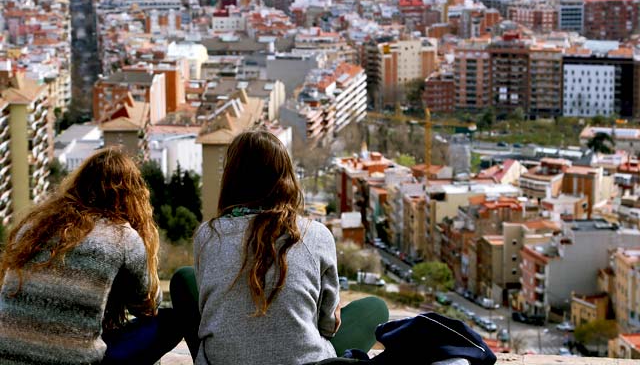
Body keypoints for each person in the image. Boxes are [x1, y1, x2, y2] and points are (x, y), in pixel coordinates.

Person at [172, 128, 388, 364]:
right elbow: (327, 326)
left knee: (184, 278)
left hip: (222, 361)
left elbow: (208, 310)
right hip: (307, 362)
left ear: (231, 178)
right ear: (286, 177)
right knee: (375, 308)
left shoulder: (208, 235)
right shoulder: (316, 235)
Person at [0, 147, 183, 364]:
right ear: (133, 196)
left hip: (8, 357)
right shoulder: (122, 237)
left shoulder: (34, 226)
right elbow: (147, 304)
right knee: (170, 321)